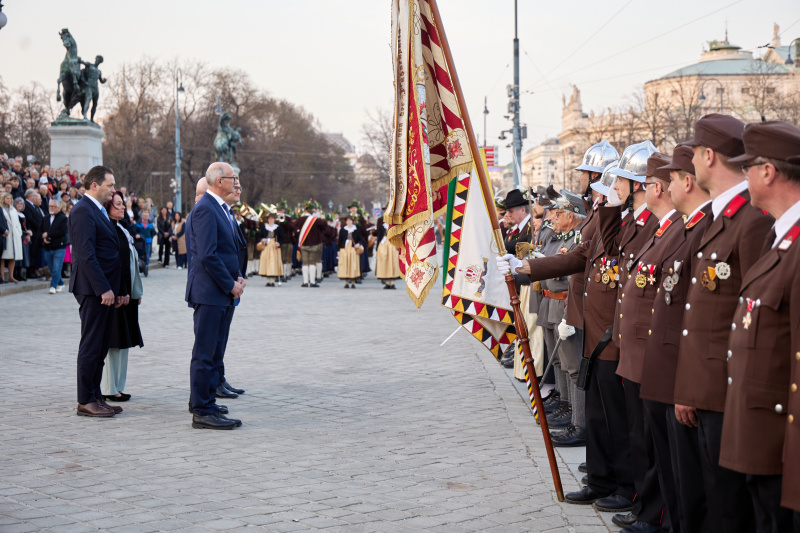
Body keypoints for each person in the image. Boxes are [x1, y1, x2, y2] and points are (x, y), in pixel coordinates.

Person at [673, 114, 773, 533]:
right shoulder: (721, 218)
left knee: (730, 507)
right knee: (714, 499)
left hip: (728, 390)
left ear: (708, 156)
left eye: (694, 154)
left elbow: (755, 317)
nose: (692, 166)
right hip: (708, 388)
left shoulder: (752, 221)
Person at [718, 120, 800, 532]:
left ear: (768, 172)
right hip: (760, 435)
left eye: (748, 166)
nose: (743, 176)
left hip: (782, 443)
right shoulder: (781, 238)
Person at [639, 144, 712, 533]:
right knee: (675, 474)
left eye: (669, 180)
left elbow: (699, 318)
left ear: (687, 181)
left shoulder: (701, 228)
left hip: (681, 375)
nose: (665, 187)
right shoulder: (685, 227)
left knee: (691, 482)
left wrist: (688, 384)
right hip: (665, 369)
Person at [185, 162, 245, 430]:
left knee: (213, 352)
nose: (236, 183)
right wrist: (230, 285)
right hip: (210, 293)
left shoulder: (218, 208)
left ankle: (206, 401)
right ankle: (202, 410)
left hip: (219, 292)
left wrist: (238, 277)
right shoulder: (206, 209)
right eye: (233, 178)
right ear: (219, 181)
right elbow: (208, 255)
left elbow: (228, 250)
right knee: (205, 353)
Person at [68, 165, 122, 418]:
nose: (113, 190)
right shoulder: (82, 211)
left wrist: (116, 289)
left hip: (105, 290)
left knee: (100, 346)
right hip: (92, 290)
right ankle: (85, 400)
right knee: (91, 345)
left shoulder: (98, 210)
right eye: (110, 185)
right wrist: (103, 289)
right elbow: (86, 255)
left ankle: (96, 395)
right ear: (94, 185)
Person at [100, 191, 143, 403]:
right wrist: (122, 291)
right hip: (116, 293)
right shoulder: (108, 228)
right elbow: (115, 264)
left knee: (123, 341)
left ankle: (118, 385)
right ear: (107, 207)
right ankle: (108, 387)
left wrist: (135, 292)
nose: (123, 208)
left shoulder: (120, 228)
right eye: (118, 205)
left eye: (123, 204)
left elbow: (131, 262)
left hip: (126, 293)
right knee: (113, 342)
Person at [42, 199, 69, 294]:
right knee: (52, 268)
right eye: (50, 206)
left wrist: (48, 235)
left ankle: (53, 286)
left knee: (56, 268)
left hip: (59, 247)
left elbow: (62, 231)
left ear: (58, 207)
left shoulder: (63, 218)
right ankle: (61, 283)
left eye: (53, 206)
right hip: (48, 247)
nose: (51, 208)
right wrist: (44, 237)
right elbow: (41, 231)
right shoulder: (45, 218)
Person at [257, 212, 284, 287]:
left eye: (272, 218)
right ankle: (268, 280)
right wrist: (262, 239)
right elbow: (259, 236)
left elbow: (282, 238)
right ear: (267, 219)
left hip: (274, 247)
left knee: (274, 262)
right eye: (269, 218)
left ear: (274, 219)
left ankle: (273, 280)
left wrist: (279, 243)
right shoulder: (264, 228)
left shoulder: (278, 228)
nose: (271, 220)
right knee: (267, 262)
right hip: (266, 247)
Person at [338, 215, 364, 288]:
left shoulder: (356, 230)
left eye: (350, 220)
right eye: (347, 220)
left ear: (352, 221)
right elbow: (340, 241)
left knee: (353, 265)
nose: (348, 222)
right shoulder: (343, 230)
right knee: (345, 265)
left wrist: (358, 244)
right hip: (345, 249)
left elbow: (360, 239)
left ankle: (353, 282)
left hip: (353, 249)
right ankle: (346, 282)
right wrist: (338, 250)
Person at [1, 192, 22, 282]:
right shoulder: (1, 208)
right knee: (3, 257)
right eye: (7, 198)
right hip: (5, 235)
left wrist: (19, 232)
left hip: (14, 235)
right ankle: (2, 276)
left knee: (13, 256)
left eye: (10, 198)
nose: (9, 200)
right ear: (3, 199)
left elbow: (17, 222)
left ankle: (11, 276)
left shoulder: (13, 209)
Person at [375, 219, 400, 289]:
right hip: (383, 245)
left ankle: (392, 282)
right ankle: (387, 282)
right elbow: (379, 238)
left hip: (392, 245)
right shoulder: (381, 227)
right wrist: (377, 249)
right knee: (385, 263)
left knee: (392, 263)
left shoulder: (394, 226)